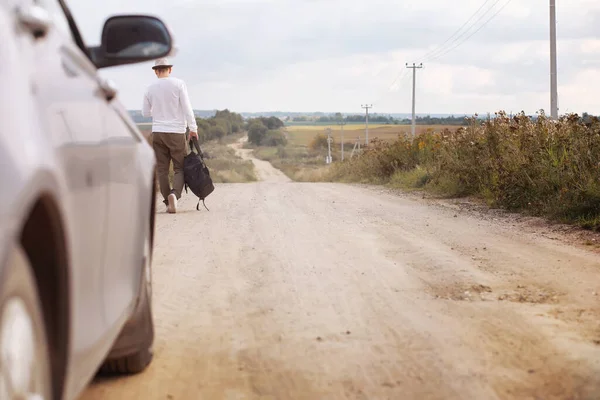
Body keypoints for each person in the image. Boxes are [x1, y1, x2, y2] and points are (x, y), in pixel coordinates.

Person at [142, 58, 198, 214]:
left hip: (158, 132)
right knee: (179, 168)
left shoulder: (149, 88)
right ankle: (175, 194)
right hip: (177, 132)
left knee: (162, 170)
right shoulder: (178, 84)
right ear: (170, 69)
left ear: (155, 71)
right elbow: (187, 108)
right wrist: (193, 128)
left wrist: (159, 111)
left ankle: (167, 202)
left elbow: (145, 113)